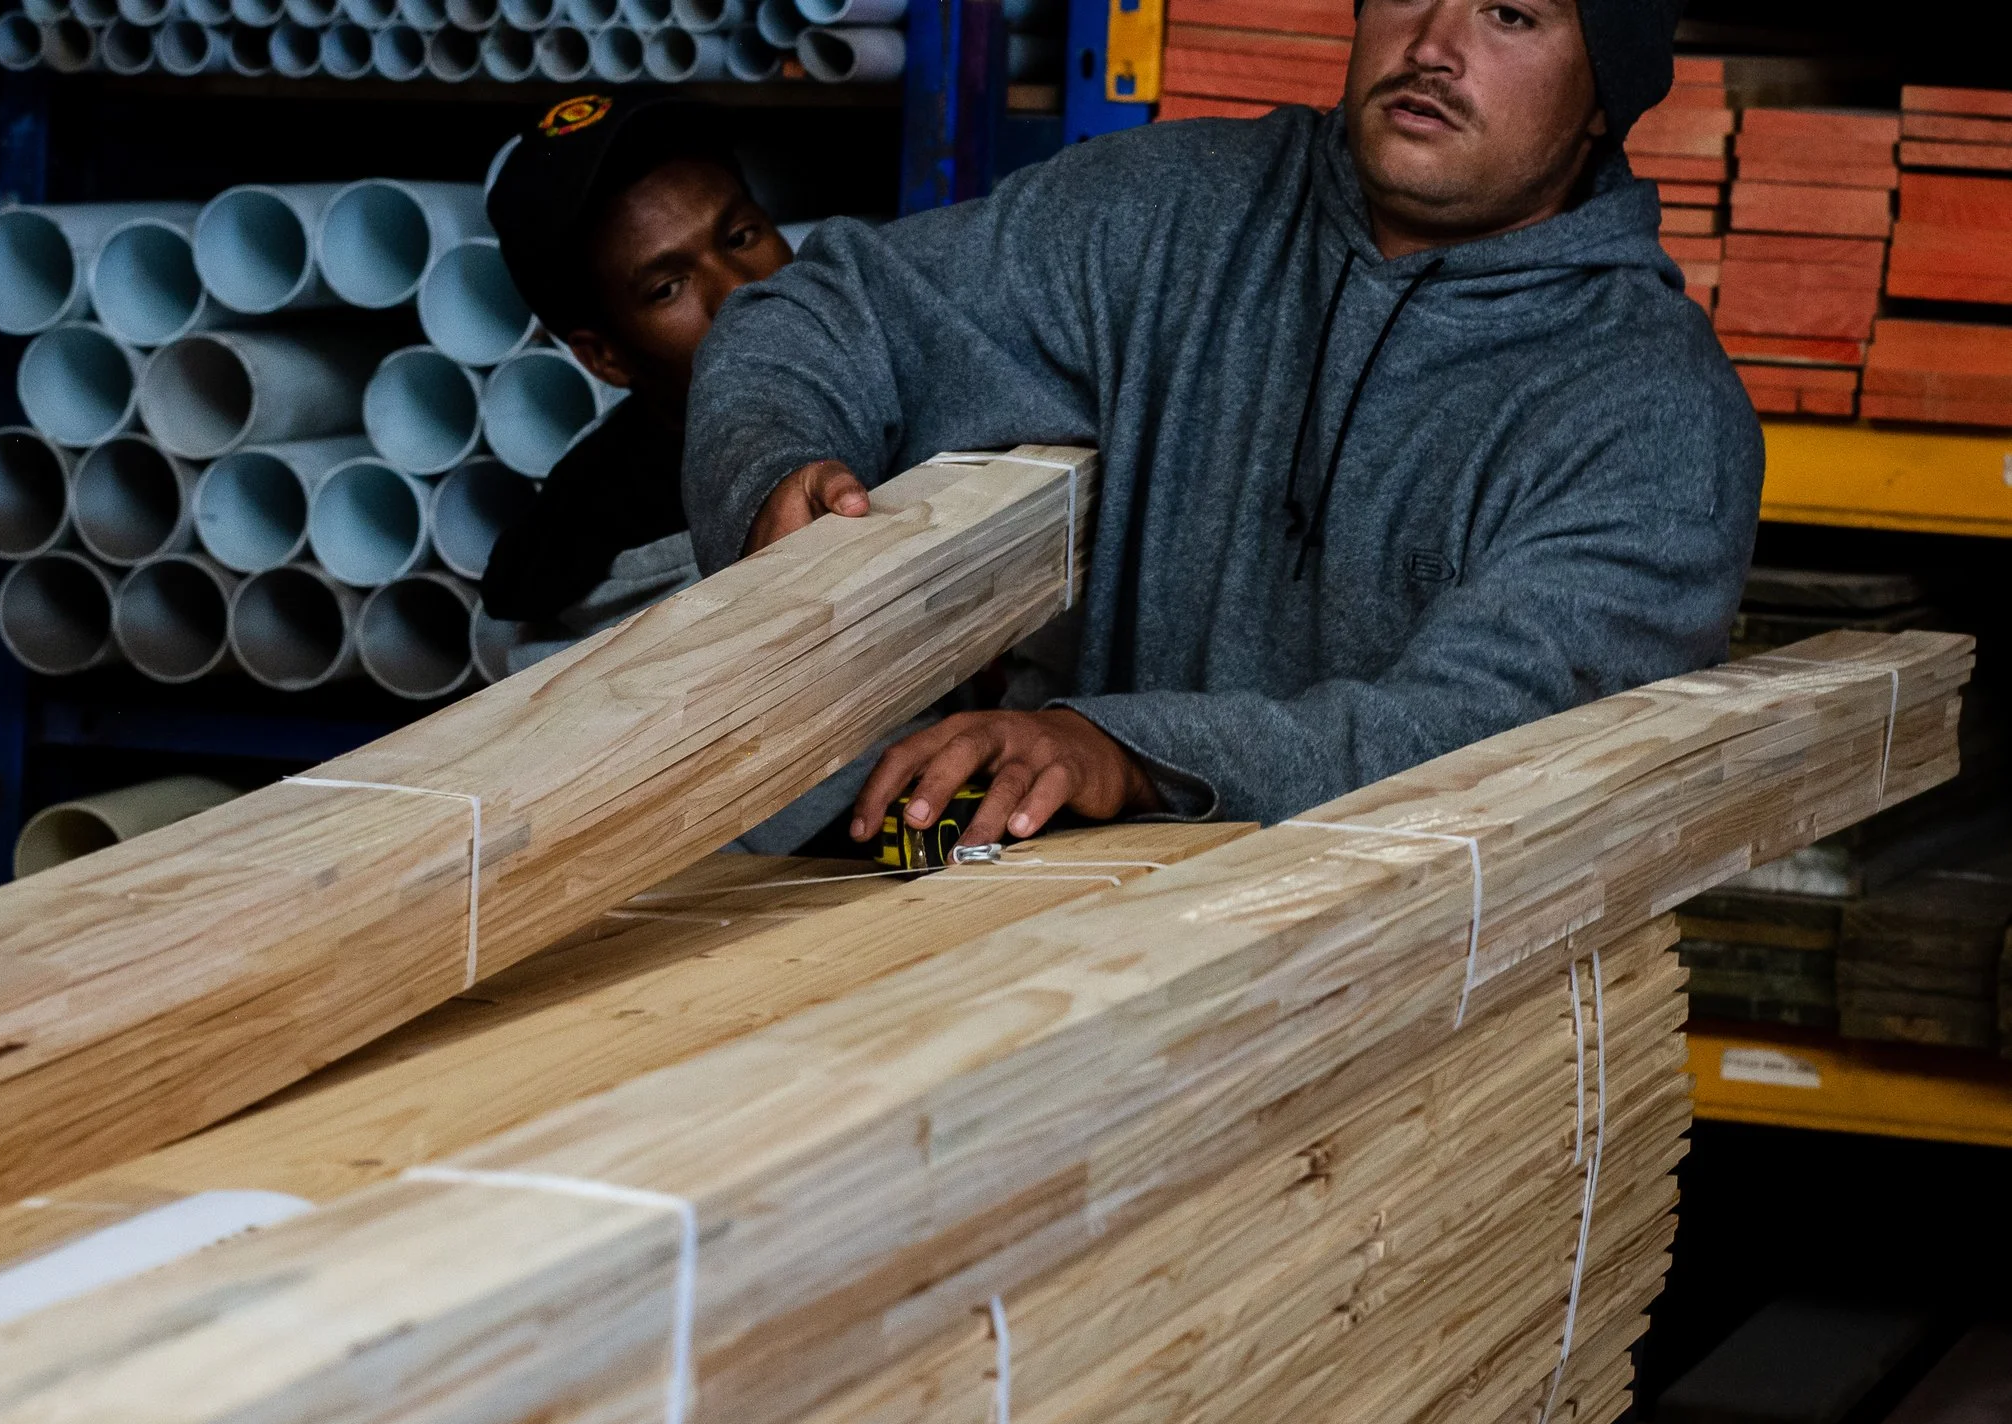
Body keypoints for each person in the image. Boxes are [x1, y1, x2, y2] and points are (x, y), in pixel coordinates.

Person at [684, 0, 1763, 857]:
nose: (1432, 46)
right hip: (1067, 957)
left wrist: (1129, 751)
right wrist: (776, 470)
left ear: (1598, 100)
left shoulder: (1652, 412)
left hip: (1421, 1022)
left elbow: (1482, 741)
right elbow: (832, 308)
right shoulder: (1176, 210)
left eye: (1510, 16)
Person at [481, 91, 795, 628]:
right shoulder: (615, 557)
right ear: (604, 358)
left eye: (741, 236)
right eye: (668, 288)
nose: (740, 291)